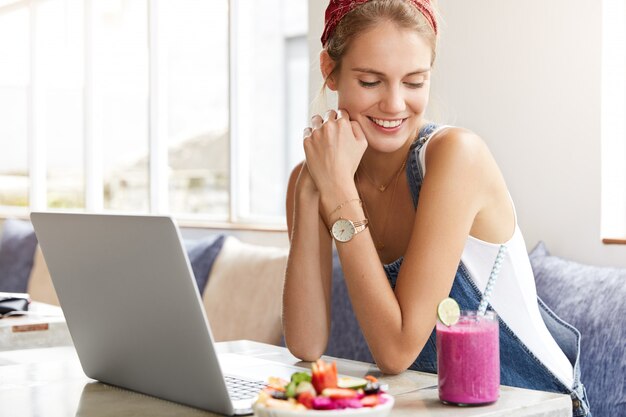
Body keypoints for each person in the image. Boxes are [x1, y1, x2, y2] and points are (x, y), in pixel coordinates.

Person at [282, 0, 591, 415]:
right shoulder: (317, 180)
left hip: (537, 405)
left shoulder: (455, 157)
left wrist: (337, 192)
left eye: (414, 82)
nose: (394, 104)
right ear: (330, 71)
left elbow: (395, 352)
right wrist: (309, 189)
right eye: (371, 81)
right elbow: (305, 343)